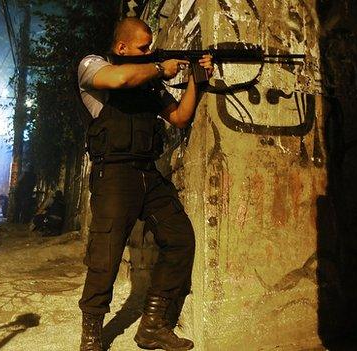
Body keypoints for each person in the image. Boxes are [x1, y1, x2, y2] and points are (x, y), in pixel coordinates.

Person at [77, 17, 213, 351]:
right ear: (121, 47)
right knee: (105, 256)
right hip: (114, 176)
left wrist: (198, 77)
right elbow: (121, 78)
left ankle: (153, 325)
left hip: (147, 174)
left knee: (180, 239)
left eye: (151, 47)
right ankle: (92, 333)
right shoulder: (93, 66)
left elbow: (180, 116)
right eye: (143, 47)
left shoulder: (149, 85)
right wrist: (159, 67)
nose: (149, 52)